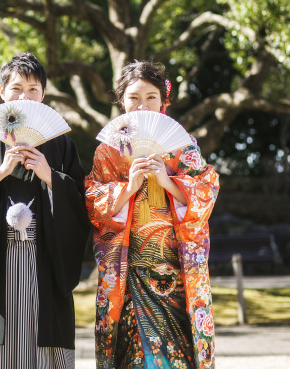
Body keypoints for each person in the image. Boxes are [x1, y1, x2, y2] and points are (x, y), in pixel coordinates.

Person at [0, 52, 91, 369]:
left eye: (33, 89)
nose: (24, 96)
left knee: (44, 353)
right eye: (16, 88)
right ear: (2, 93)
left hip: (45, 262)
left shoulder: (60, 142)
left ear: (43, 95)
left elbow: (83, 200)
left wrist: (51, 177)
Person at [85, 61, 220, 369]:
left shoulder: (182, 146)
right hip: (129, 271)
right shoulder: (108, 150)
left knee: (178, 356)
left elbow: (207, 188)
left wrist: (168, 181)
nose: (142, 104)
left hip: (177, 272)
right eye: (133, 97)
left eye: (150, 96)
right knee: (134, 357)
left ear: (163, 100)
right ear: (121, 101)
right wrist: (129, 187)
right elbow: (92, 200)